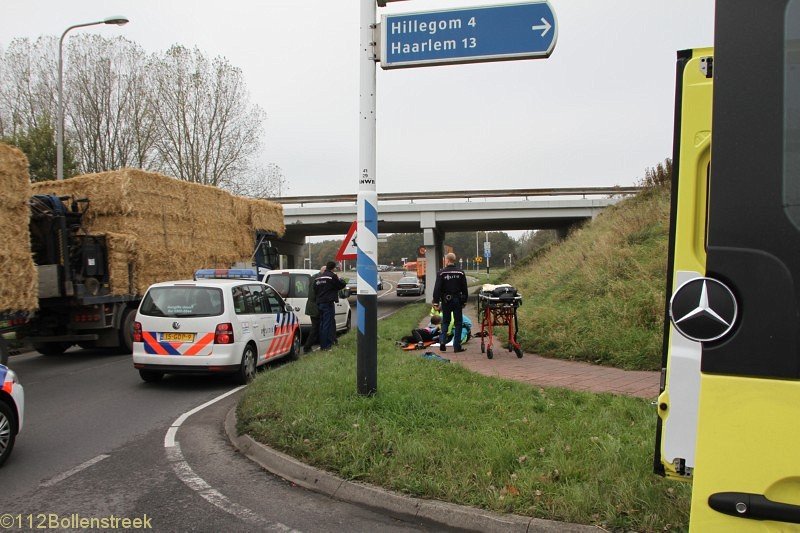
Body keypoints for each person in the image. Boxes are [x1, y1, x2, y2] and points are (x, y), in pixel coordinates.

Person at [432, 252, 468, 353]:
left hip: (446, 301)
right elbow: (464, 288)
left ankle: (442, 341)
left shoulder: (441, 273)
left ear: (447, 260)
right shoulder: (460, 273)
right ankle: (457, 346)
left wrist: (436, 302)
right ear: (454, 260)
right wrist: (464, 301)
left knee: (445, 322)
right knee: (458, 323)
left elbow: (437, 289)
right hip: (457, 300)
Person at [314, 261, 346, 351]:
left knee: (322, 324)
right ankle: (326, 346)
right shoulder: (332, 276)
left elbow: (315, 289)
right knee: (328, 324)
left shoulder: (318, 277)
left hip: (320, 303)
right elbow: (340, 285)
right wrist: (341, 280)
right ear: (333, 268)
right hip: (328, 303)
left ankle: (322, 344)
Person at [303, 267, 324, 354]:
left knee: (317, 327)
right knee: (315, 328)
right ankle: (307, 347)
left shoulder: (314, 278)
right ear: (323, 271)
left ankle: (311, 345)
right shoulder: (317, 279)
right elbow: (314, 294)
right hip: (314, 307)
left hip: (312, 306)